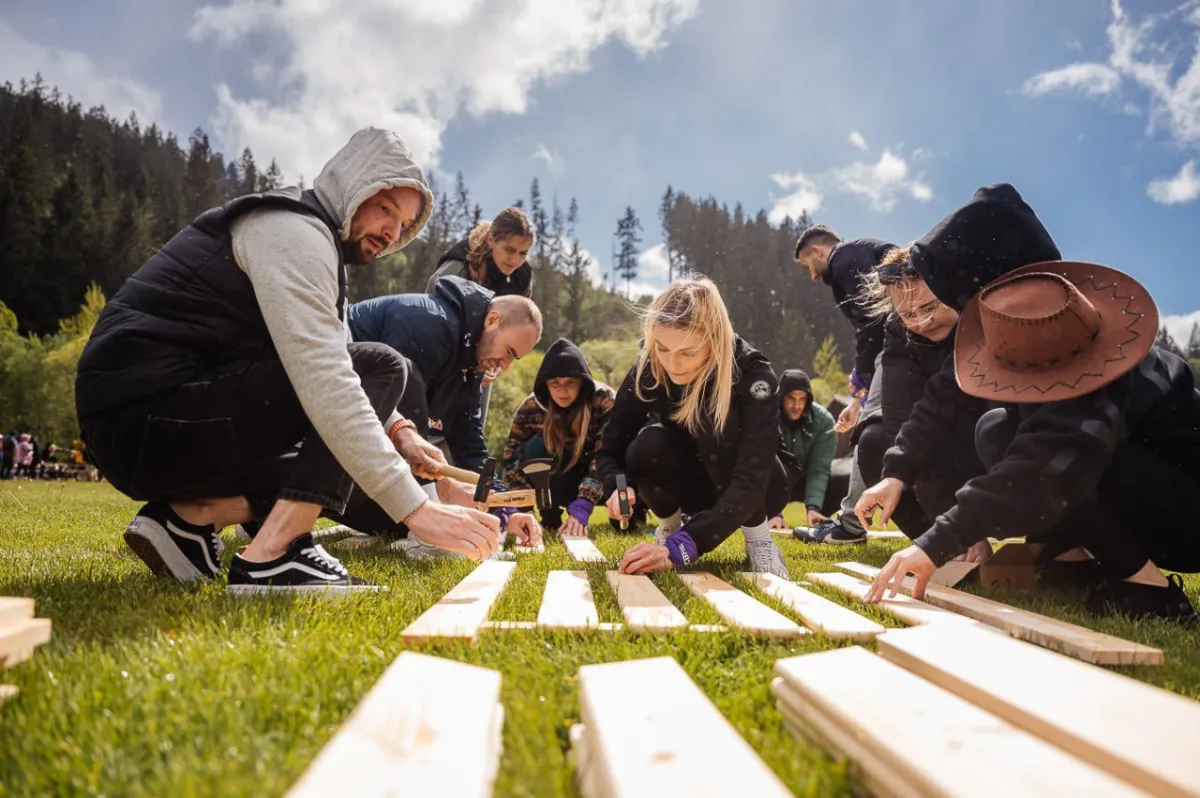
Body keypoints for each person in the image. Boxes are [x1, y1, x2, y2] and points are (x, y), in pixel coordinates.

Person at [75, 127, 502, 595]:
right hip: (141, 416)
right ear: (352, 184)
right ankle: (275, 554)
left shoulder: (316, 246)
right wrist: (418, 511)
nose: (392, 233)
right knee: (383, 367)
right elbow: (333, 376)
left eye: (403, 225)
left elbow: (335, 360)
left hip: (150, 417)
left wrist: (403, 434)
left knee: (345, 459)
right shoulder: (292, 231)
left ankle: (186, 522)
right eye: (385, 209)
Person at [857, 183, 1200, 622]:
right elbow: (939, 401)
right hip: (1153, 495)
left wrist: (935, 543)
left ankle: (1149, 589)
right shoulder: (1031, 335)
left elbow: (1044, 462)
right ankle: (1072, 561)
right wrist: (897, 474)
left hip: (1189, 509)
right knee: (998, 429)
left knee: (1046, 455)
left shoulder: (1091, 351)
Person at [596, 278, 791, 578]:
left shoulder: (754, 375)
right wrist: (617, 487)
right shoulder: (650, 368)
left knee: (721, 431)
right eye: (662, 348)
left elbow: (752, 476)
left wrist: (684, 548)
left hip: (758, 489)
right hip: (688, 485)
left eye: (688, 352)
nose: (673, 364)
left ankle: (759, 539)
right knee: (649, 442)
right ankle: (669, 527)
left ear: (713, 341)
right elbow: (612, 446)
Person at [342, 275, 545, 557]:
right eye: (508, 352)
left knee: (401, 519)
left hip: (354, 444)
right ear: (492, 320)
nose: (505, 365)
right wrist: (439, 496)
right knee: (407, 377)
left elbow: (470, 447)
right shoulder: (429, 322)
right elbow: (396, 397)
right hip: (315, 403)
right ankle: (427, 526)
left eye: (514, 359)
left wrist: (505, 509)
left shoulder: (470, 368)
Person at [426, 207, 536, 436]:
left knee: (468, 431)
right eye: (509, 250)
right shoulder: (458, 265)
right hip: (443, 356)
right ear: (491, 239)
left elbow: (514, 328)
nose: (515, 259)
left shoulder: (522, 276)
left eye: (523, 253)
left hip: (484, 360)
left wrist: (497, 365)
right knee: (431, 426)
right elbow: (432, 317)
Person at [501, 338, 625, 538]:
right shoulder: (531, 407)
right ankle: (549, 516)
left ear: (582, 384)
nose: (562, 391)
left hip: (599, 477)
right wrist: (524, 510)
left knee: (623, 459)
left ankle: (627, 514)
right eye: (555, 383)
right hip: (555, 479)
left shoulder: (605, 401)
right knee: (535, 447)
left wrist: (583, 505)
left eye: (570, 383)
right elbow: (511, 461)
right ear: (546, 385)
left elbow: (607, 455)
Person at [793, 225, 895, 432]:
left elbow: (871, 319)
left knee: (880, 432)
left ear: (817, 251)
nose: (812, 277)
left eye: (808, 266)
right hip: (907, 344)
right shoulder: (853, 256)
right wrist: (857, 403)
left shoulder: (843, 258)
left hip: (912, 344)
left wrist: (862, 374)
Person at [770, 369, 837, 529]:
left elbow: (819, 468)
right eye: (791, 398)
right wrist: (773, 511)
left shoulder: (824, 421)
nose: (796, 406)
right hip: (776, 478)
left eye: (802, 399)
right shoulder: (768, 416)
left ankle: (819, 518)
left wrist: (814, 507)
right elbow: (762, 465)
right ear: (781, 398)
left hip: (806, 478)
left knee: (843, 479)